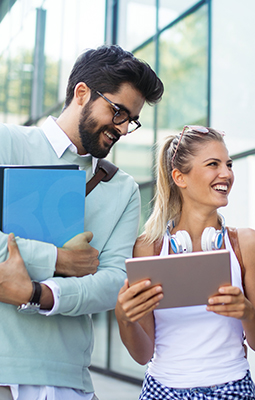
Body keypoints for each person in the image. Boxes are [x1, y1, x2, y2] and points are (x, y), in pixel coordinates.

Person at [0, 44, 163, 400]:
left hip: (70, 379)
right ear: (81, 93)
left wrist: (37, 293)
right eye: (117, 111)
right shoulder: (7, 143)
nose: (122, 128)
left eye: (130, 120)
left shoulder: (123, 188)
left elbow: (113, 282)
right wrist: (58, 260)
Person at [115, 125, 255, 399]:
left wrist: (245, 312)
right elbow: (143, 355)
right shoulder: (147, 248)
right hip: (161, 390)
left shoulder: (248, 245)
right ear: (180, 177)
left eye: (228, 164)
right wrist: (124, 319)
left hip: (233, 388)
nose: (226, 173)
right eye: (213, 164)